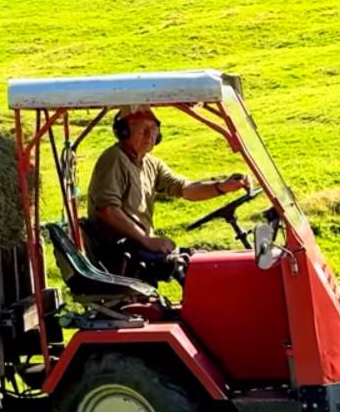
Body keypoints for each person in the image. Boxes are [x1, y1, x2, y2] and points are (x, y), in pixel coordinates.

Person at [83, 107, 247, 283]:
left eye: (153, 129)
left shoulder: (150, 163)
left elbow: (185, 188)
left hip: (137, 247)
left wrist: (221, 187)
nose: (149, 135)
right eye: (142, 129)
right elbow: (106, 210)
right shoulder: (114, 159)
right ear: (123, 132)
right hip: (120, 252)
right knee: (192, 266)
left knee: (202, 260)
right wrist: (146, 240)